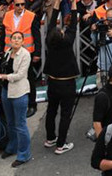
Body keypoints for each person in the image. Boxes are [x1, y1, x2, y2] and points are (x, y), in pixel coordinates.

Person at [0, 30, 31, 167]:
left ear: (23, 41)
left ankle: (24, 154)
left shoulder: (25, 55)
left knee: (20, 125)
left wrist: (1, 76)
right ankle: (13, 146)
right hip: (6, 91)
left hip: (19, 92)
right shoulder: (8, 53)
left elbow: (20, 75)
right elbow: (4, 68)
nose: (16, 40)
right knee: (10, 122)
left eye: (19, 38)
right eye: (14, 38)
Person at [0, 0, 40, 117]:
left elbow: (36, 35)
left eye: (23, 4)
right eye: (18, 4)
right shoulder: (7, 15)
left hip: (26, 52)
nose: (20, 7)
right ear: (13, 4)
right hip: (9, 51)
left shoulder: (31, 16)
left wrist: (37, 53)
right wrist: (2, 51)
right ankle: (10, 102)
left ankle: (32, 104)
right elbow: (4, 34)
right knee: (10, 77)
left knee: (29, 78)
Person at [43, 19, 79, 154]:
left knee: (51, 111)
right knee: (65, 114)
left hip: (53, 82)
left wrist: (57, 4)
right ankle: (61, 144)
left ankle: (50, 138)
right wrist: (74, 5)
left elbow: (51, 25)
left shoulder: (49, 42)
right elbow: (73, 27)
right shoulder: (67, 43)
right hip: (67, 83)